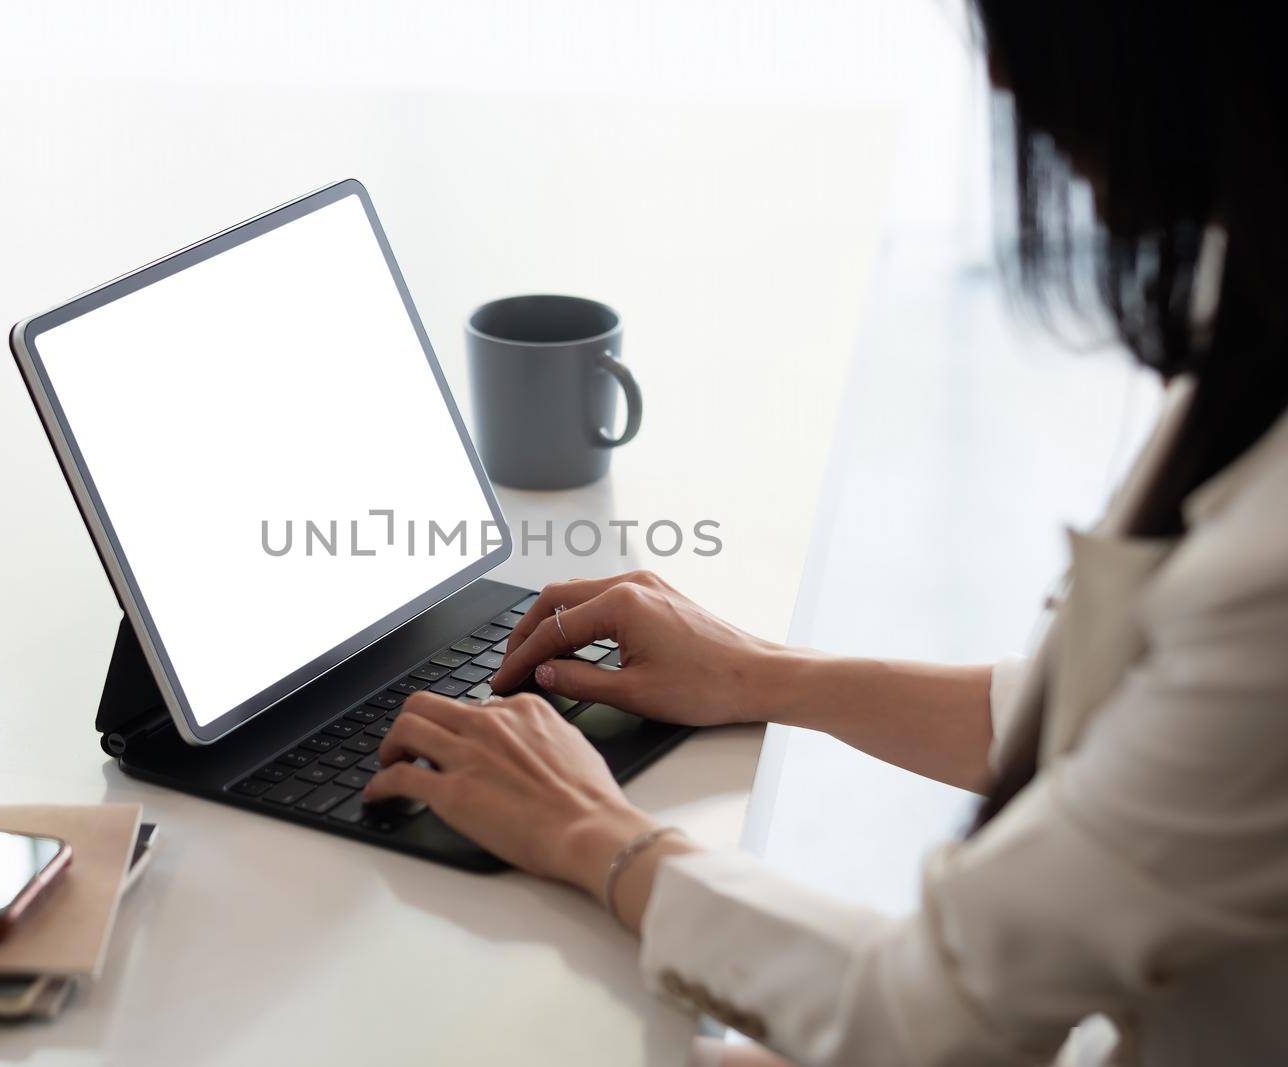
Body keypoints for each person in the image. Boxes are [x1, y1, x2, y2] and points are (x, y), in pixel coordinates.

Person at [361, 3, 1288, 1065]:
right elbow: (1122, 726)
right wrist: (765, 673)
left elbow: (931, 1022)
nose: (1005, 89)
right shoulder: (1255, 278)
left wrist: (591, 831)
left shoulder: (1270, 578)